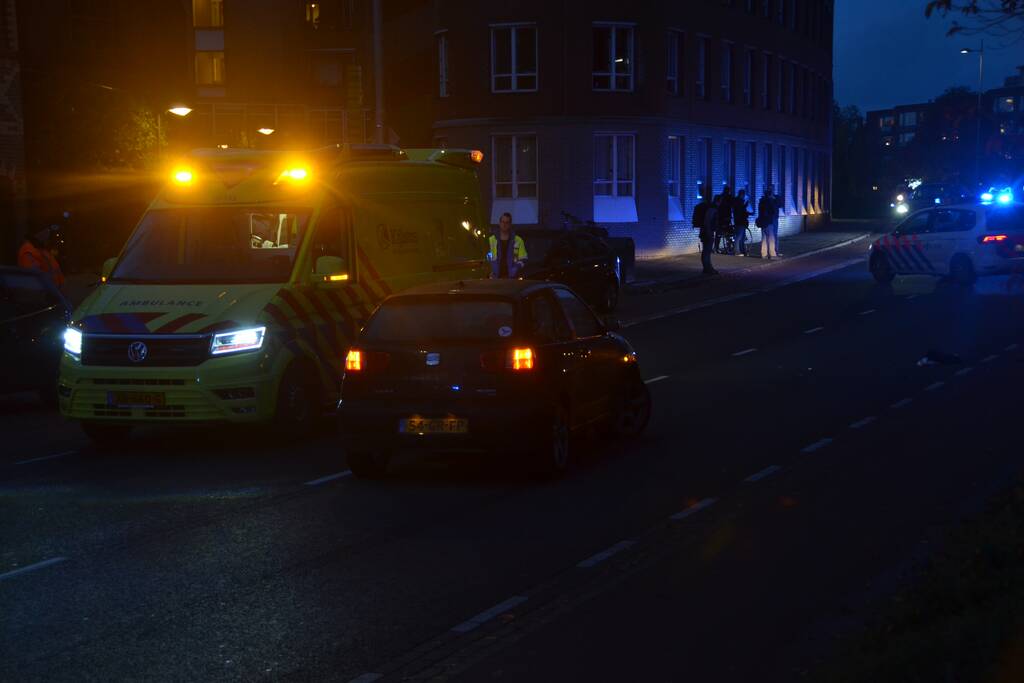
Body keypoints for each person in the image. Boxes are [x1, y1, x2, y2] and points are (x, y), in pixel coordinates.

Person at [488, 212, 528, 278]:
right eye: (503, 222)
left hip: (512, 278)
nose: (504, 224)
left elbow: (523, 259)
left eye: (507, 222)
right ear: (499, 223)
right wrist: (491, 267)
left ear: (510, 224)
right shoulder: (491, 240)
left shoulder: (518, 240)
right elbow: (487, 256)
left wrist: (516, 268)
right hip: (495, 277)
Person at [758, 185, 781, 260]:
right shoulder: (770, 201)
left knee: (764, 237)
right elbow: (773, 210)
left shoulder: (762, 200)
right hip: (769, 221)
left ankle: (764, 254)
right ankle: (773, 254)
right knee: (771, 237)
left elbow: (760, 211)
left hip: (763, 221)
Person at [700, 195, 720, 275]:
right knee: (707, 251)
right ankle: (708, 268)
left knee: (706, 251)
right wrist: (709, 232)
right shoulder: (712, 209)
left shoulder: (710, 208)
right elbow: (707, 222)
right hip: (707, 232)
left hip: (706, 231)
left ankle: (707, 268)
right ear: (718, 201)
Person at [733, 189, 751, 256]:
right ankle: (737, 251)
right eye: (743, 195)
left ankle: (741, 250)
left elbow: (740, 210)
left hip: (739, 221)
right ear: (742, 195)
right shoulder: (739, 202)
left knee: (741, 237)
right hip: (740, 221)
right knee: (739, 237)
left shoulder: (738, 201)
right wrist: (746, 209)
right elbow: (741, 211)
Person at [716, 185, 734, 253]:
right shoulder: (728, 197)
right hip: (725, 217)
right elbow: (732, 206)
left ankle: (717, 248)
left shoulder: (721, 196)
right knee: (727, 233)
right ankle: (728, 247)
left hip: (721, 217)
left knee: (720, 233)